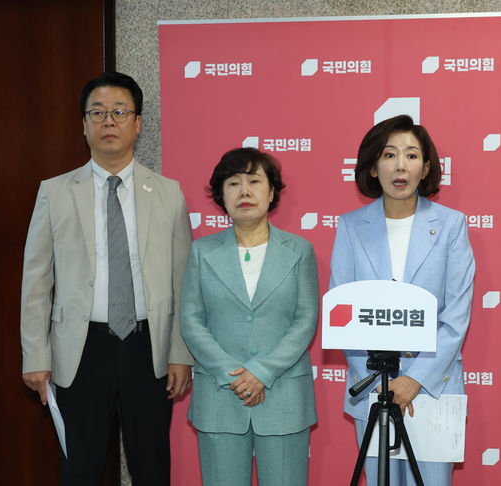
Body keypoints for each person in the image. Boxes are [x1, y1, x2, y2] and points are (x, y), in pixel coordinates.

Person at [20, 72, 194, 484]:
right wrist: (36, 355)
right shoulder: (55, 192)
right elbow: (36, 283)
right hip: (79, 350)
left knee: (151, 468)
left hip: (148, 348)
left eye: (119, 112)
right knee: (78, 469)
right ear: (84, 125)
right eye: (97, 113)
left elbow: (184, 282)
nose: (108, 121)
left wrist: (181, 353)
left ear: (137, 123)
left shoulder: (168, 193)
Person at [330, 115, 475, 485]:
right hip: (372, 388)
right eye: (389, 155)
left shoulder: (451, 225)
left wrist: (414, 380)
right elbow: (342, 314)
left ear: (425, 169)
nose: (400, 166)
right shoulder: (350, 227)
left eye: (411, 156)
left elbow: (456, 315)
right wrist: (378, 382)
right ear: (373, 167)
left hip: (433, 387)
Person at [180, 147, 319, 486]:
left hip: (284, 396)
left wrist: (261, 372)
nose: (244, 191)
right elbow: (191, 321)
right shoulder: (201, 251)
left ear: (271, 192)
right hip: (220, 397)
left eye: (254, 181)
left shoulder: (299, 250)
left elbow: (305, 320)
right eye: (233, 183)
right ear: (221, 196)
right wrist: (234, 376)